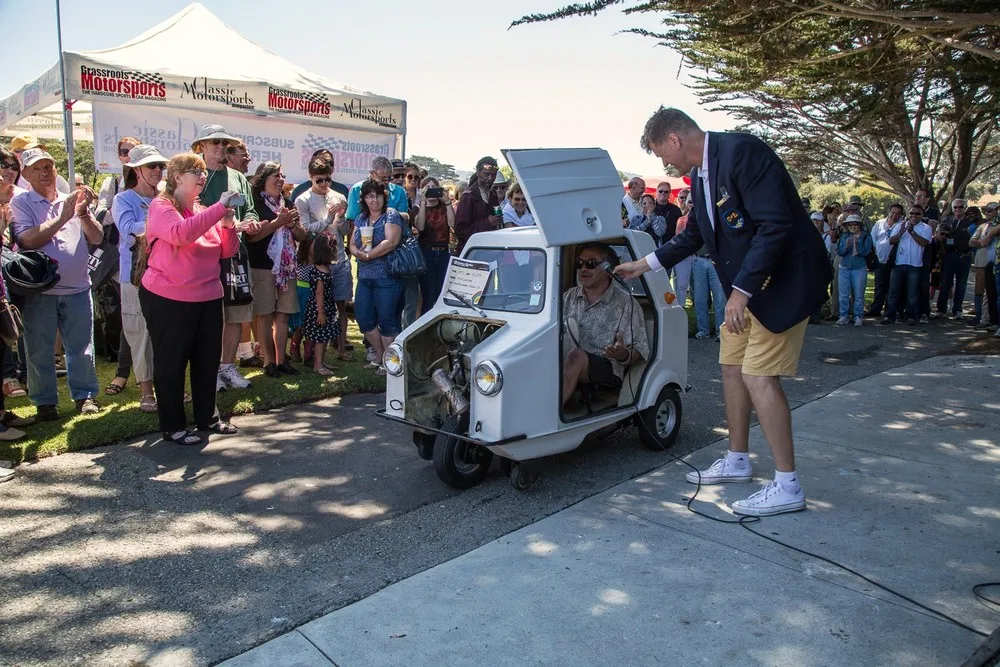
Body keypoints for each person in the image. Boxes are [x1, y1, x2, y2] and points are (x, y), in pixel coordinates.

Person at [615, 107, 831, 517]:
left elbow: (775, 226)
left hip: (780, 284)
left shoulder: (743, 152)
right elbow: (696, 233)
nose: (667, 165)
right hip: (743, 290)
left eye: (664, 155)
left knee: (758, 375)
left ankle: (787, 484)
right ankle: (737, 459)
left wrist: (742, 292)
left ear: (675, 140)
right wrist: (643, 265)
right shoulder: (699, 174)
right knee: (732, 368)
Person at [139, 153, 243, 446]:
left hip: (208, 296)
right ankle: (173, 426)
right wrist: (218, 208)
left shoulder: (204, 210)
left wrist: (227, 221)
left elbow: (227, 251)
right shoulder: (162, 206)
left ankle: (207, 418)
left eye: (202, 171)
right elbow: (180, 234)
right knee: (172, 361)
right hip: (167, 296)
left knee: (207, 360)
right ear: (176, 177)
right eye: (194, 171)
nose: (202, 175)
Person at [10, 148, 104, 420]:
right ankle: (45, 404)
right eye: (37, 168)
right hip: (40, 291)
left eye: (49, 167)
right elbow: (27, 240)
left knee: (82, 348)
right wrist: (63, 217)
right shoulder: (22, 203)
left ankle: (84, 397)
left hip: (77, 287)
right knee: (39, 349)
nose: (45, 173)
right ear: (25, 174)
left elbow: (97, 239)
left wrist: (83, 214)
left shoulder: (70, 200)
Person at [189, 125, 261, 391]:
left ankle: (227, 367)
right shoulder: (195, 177)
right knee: (210, 317)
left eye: (225, 144)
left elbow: (250, 210)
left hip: (236, 255)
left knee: (236, 313)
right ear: (202, 147)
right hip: (206, 256)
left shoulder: (238, 177)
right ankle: (208, 371)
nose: (220, 147)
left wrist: (250, 223)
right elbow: (190, 215)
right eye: (214, 142)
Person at [110, 144, 168, 413]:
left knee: (167, 334)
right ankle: (146, 393)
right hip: (135, 275)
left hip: (167, 273)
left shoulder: (166, 196)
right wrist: (161, 223)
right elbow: (126, 229)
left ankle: (171, 388)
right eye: (151, 166)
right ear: (137, 170)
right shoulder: (124, 199)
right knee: (139, 333)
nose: (157, 170)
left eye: (160, 165)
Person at [562, 243, 649, 407]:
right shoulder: (569, 296)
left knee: (576, 356)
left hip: (607, 367)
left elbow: (639, 350)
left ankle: (548, 418)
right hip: (567, 357)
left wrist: (620, 353)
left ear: (609, 269)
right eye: (579, 263)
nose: (584, 269)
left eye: (591, 263)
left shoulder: (626, 303)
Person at [248, 161, 306, 377]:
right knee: (264, 315)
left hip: (287, 269)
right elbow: (252, 237)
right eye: (276, 176)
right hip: (262, 267)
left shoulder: (288, 203)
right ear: (264, 179)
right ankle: (268, 361)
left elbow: (302, 236)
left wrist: (292, 225)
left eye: (283, 175)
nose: (281, 179)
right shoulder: (254, 204)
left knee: (282, 316)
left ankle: (282, 360)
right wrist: (277, 222)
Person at [295, 157, 351, 360]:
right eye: (319, 180)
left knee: (341, 305)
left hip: (339, 259)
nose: (324, 184)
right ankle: (310, 352)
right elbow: (306, 231)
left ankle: (342, 349)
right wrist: (327, 219)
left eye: (328, 179)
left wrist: (342, 217)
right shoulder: (303, 199)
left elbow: (344, 231)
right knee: (315, 308)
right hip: (315, 262)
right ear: (311, 178)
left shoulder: (338, 197)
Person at [348, 179, 403, 376]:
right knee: (364, 319)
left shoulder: (391, 215)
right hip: (364, 277)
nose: (374, 200)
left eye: (378, 195)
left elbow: (391, 242)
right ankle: (380, 355)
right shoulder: (361, 218)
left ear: (383, 197)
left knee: (387, 320)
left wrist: (369, 255)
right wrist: (357, 253)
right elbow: (352, 244)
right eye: (370, 196)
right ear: (363, 198)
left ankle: (391, 362)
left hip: (387, 277)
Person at [0, 147, 28, 399]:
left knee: (8, 335)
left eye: (13, 167)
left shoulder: (11, 199)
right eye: (3, 165)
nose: (9, 172)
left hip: (5, 283)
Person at [883, 204, 932, 325]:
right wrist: (901, 232)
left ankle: (910, 316)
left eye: (917, 214)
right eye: (911, 213)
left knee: (912, 293)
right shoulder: (900, 225)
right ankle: (890, 315)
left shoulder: (926, 228)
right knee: (893, 291)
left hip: (915, 265)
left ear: (922, 215)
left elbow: (924, 242)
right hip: (899, 264)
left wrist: (911, 232)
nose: (913, 216)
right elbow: (891, 241)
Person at [301, 235, 340, 377]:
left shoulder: (324, 268)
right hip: (319, 310)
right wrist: (321, 313)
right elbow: (319, 293)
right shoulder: (320, 272)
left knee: (324, 337)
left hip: (326, 308)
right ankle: (318, 365)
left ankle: (321, 361)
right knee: (320, 338)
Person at [414, 183, 455, 315]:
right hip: (426, 253)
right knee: (428, 294)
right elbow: (420, 226)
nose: (431, 191)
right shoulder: (418, 208)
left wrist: (447, 202)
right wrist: (423, 202)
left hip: (443, 252)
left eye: (434, 188)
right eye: (428, 188)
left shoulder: (444, 207)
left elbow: (452, 224)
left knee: (441, 293)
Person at [454, 157, 502, 255]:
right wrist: (487, 223)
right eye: (486, 174)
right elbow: (460, 230)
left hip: (490, 250)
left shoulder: (493, 194)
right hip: (472, 252)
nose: (490, 178)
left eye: (493, 175)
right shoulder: (468, 196)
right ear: (478, 173)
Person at [935, 199, 973, 319]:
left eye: (961, 207)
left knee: (961, 284)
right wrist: (940, 238)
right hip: (949, 255)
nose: (958, 209)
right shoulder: (947, 220)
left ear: (965, 208)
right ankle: (941, 310)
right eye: (955, 207)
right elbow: (938, 234)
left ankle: (957, 310)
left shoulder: (970, 222)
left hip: (964, 255)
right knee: (945, 283)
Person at [836, 214, 873, 326]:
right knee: (843, 294)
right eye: (850, 224)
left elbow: (866, 252)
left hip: (859, 267)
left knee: (858, 294)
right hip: (845, 267)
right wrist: (846, 246)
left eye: (855, 224)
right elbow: (840, 252)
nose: (852, 226)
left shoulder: (866, 236)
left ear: (859, 225)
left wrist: (858, 245)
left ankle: (858, 316)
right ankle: (844, 315)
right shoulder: (844, 236)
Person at [867, 203, 903, 318]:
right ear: (889, 211)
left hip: (894, 260)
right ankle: (875, 309)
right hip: (880, 259)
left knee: (892, 286)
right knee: (879, 285)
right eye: (893, 212)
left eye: (898, 213)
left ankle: (889, 310)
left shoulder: (901, 225)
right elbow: (873, 238)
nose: (894, 215)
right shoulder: (880, 223)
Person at [96, 136, 141, 220]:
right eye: (124, 152)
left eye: (134, 152)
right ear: (119, 156)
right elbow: (100, 217)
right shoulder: (112, 183)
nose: (129, 156)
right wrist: (122, 206)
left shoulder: (153, 183)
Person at [970, 203, 999, 330]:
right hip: (984, 262)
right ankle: (984, 318)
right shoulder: (983, 227)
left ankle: (995, 321)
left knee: (996, 293)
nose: (987, 213)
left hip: (997, 262)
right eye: (985, 211)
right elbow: (971, 242)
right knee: (986, 292)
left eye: (990, 211)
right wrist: (982, 242)